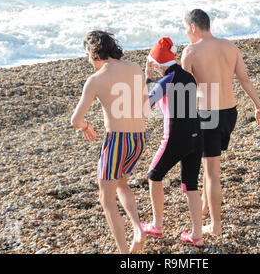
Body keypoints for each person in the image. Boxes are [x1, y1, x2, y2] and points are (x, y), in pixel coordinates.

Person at [180, 9, 260, 236]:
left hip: (208, 113)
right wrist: (259, 106)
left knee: (211, 173)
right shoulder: (230, 47)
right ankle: (204, 208)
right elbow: (244, 79)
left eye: (186, 29)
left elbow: (184, 91)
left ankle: (215, 226)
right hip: (230, 112)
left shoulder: (190, 51)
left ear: (193, 27)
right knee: (212, 166)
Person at [70, 30, 149, 254]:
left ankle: (124, 253)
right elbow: (144, 106)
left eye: (87, 54)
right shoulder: (134, 67)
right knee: (122, 183)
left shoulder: (95, 80)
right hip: (138, 139)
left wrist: (86, 127)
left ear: (95, 52)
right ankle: (138, 229)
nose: (87, 59)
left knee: (106, 199)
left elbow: (75, 119)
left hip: (117, 142)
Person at [142, 37, 204, 249]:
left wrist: (147, 79)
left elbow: (145, 105)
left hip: (175, 137)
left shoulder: (165, 81)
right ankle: (197, 235)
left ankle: (156, 225)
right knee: (190, 184)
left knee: (154, 175)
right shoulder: (188, 76)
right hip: (197, 134)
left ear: (157, 63)